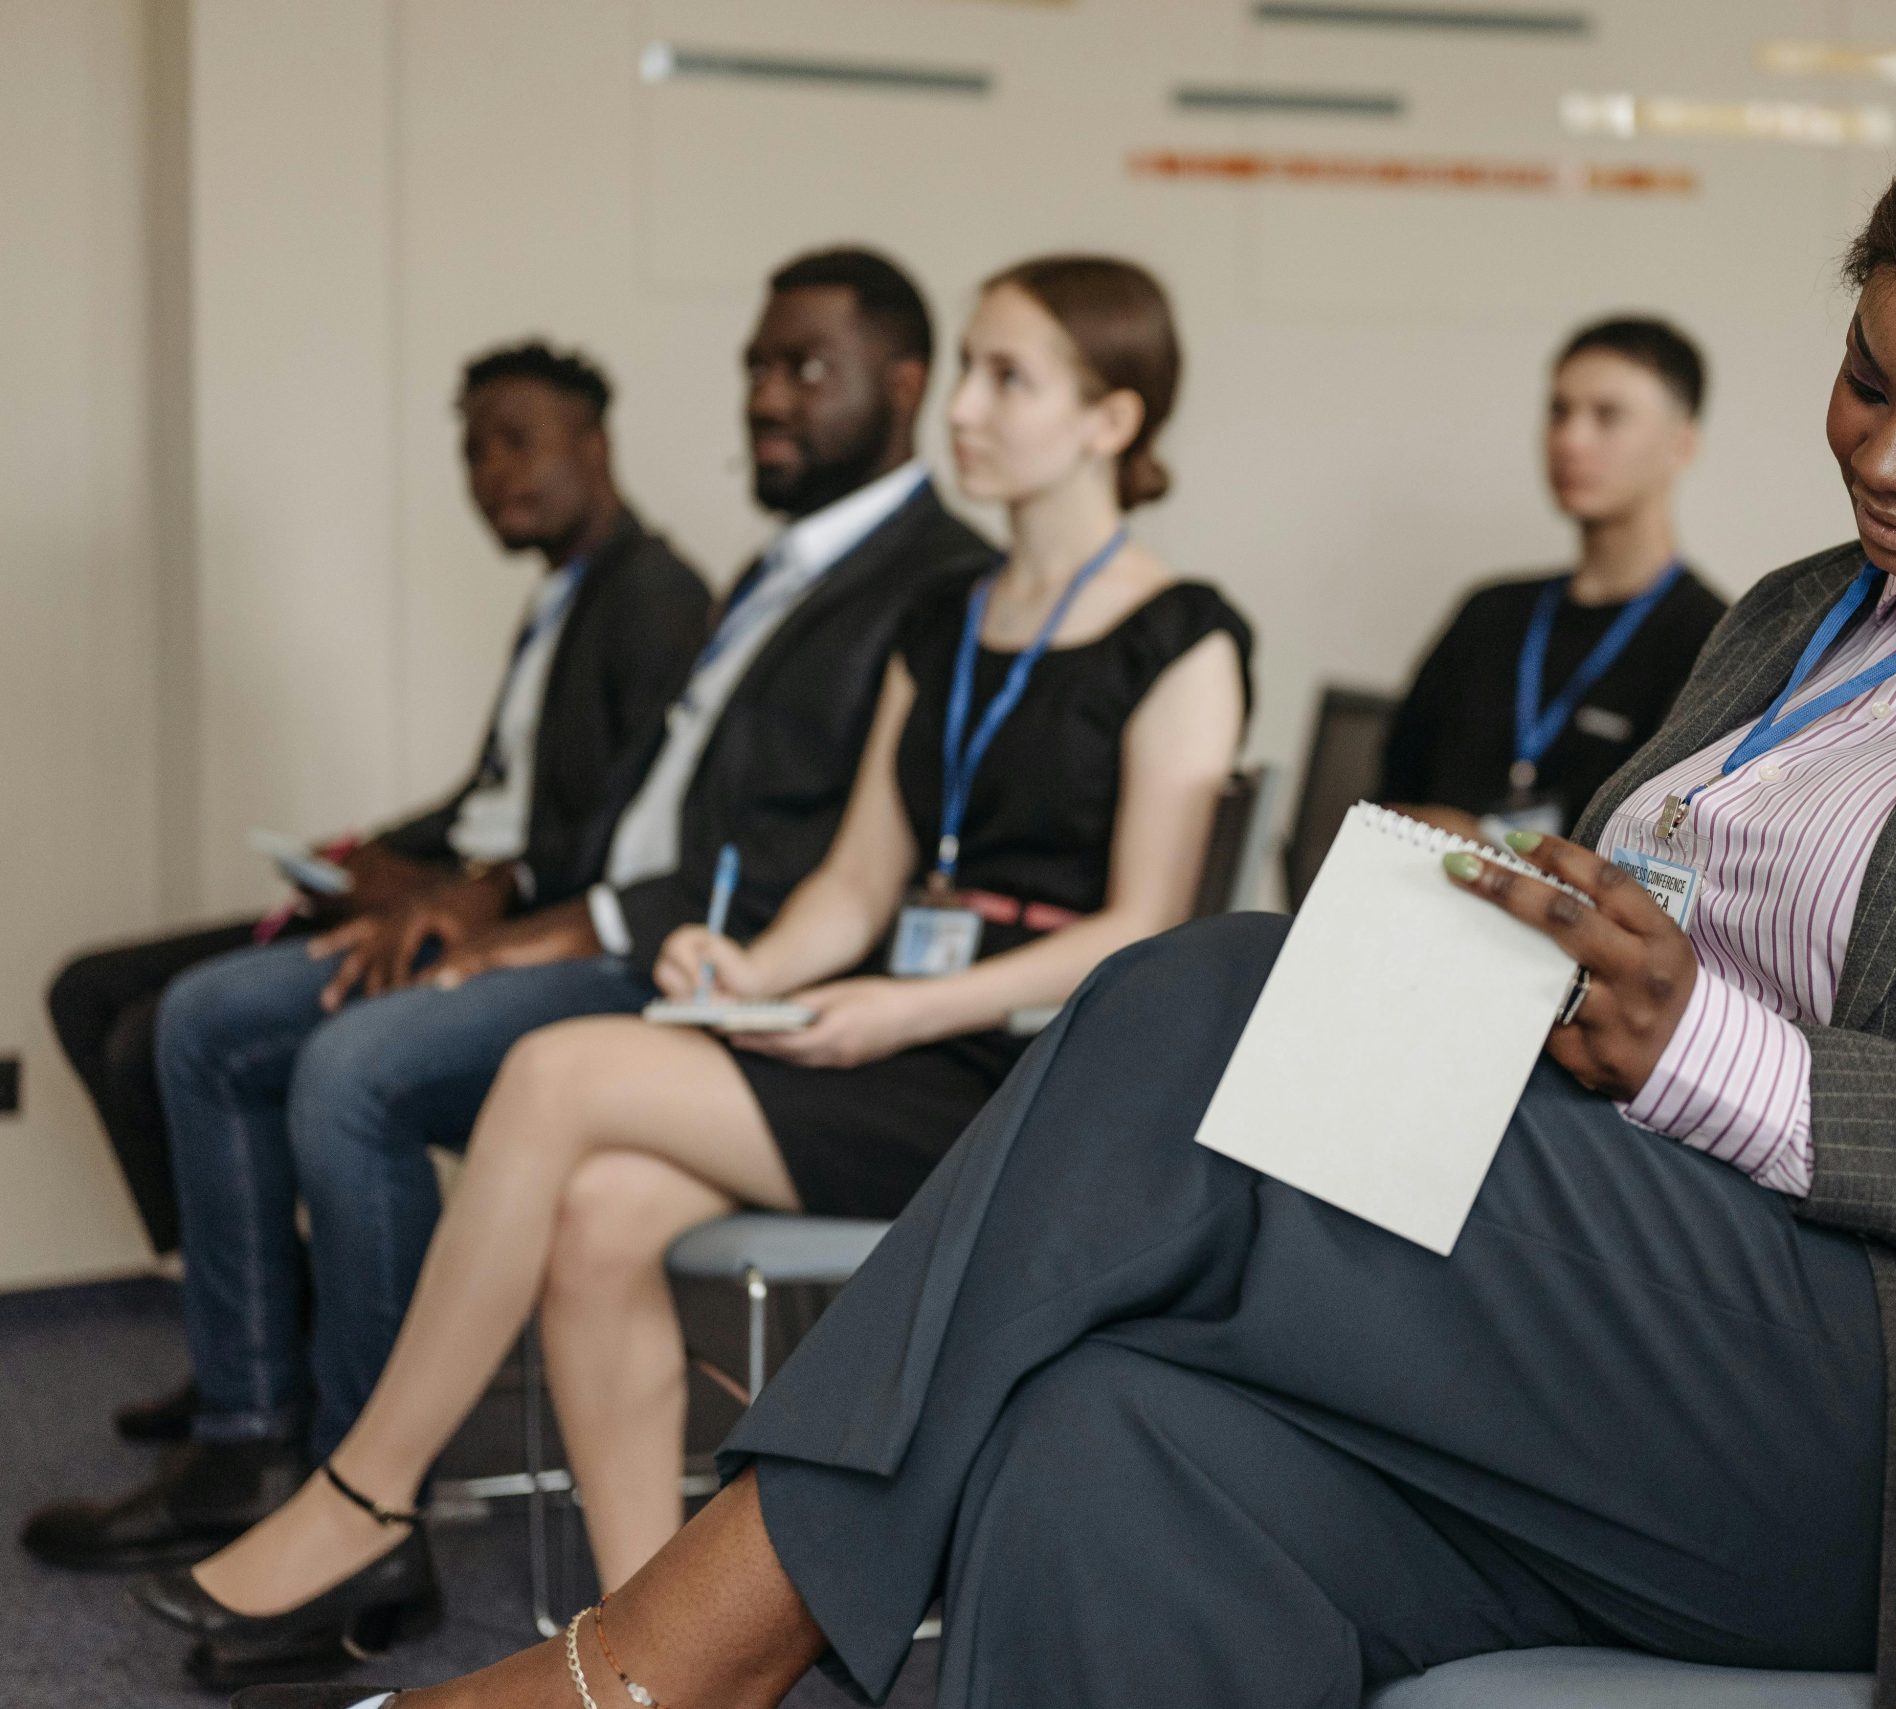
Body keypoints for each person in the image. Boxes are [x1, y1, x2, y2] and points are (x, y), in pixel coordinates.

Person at [232, 87, 1896, 1709]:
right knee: (1107, 1445)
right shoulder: (1799, 609)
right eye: (1863, 382)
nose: (1887, 459)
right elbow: (1658, 937)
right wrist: (1544, 925)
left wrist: (1707, 1041)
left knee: (1194, 1001)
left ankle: (664, 1653)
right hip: (1600, 1317)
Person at [144, 254, 1253, 1691]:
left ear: (1113, 418)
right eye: (968, 366)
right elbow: (857, 884)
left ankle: (365, 1498)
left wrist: (901, 1008)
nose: (965, 407)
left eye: (1007, 378)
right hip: (890, 1034)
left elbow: (1142, 930)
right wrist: (746, 964)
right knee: (600, 1213)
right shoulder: (945, 623)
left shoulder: (1185, 634)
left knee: (549, 1071)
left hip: (1033, 1073)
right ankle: (644, 1659)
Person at [18, 248, 993, 1576]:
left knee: (344, 1060)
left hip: (704, 964)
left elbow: (790, 859)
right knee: (203, 1018)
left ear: (904, 384)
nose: (765, 396)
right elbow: (616, 811)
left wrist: (540, 926)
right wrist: (478, 898)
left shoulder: (929, 585)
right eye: (756, 366)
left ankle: (358, 1500)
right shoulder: (783, 569)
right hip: (629, 922)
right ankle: (265, 1422)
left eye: (803, 368)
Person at [38, 340, 708, 1438]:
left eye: (517, 442)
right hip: (465, 883)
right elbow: (497, 791)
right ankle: (255, 1324)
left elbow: (627, 836)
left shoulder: (655, 600)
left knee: (179, 1030)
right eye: (473, 451)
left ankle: (257, 1393)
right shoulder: (560, 599)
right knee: (90, 992)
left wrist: (466, 883)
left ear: (593, 446)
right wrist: (371, 852)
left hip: (530, 924)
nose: (493, 473)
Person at [1380, 317, 1725, 841]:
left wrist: (1489, 850)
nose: (1570, 439)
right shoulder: (1489, 612)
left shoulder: (1713, 640)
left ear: (1682, 444)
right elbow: (1389, 794)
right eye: (1559, 411)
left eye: (1608, 416)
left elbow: (1668, 853)